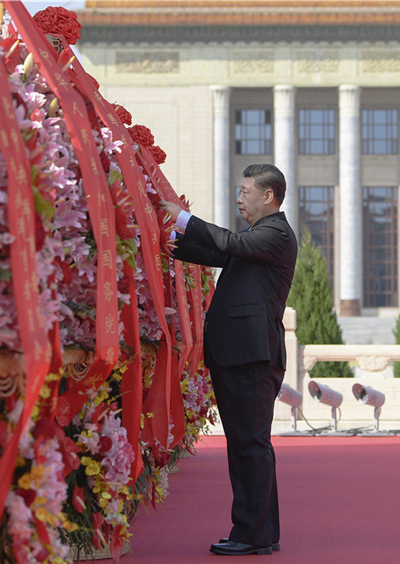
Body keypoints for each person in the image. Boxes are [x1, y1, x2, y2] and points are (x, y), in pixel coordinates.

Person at [159, 164, 298, 556]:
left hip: (251, 356)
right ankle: (261, 532)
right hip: (242, 354)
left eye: (245, 191)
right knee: (248, 444)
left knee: (249, 445)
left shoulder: (275, 234)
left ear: (268, 196)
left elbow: (228, 242)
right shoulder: (257, 238)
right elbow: (216, 251)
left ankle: (250, 534)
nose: (239, 198)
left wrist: (183, 218)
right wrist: (170, 241)